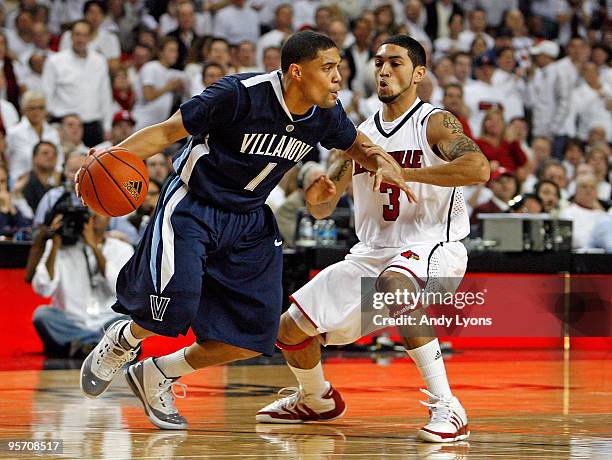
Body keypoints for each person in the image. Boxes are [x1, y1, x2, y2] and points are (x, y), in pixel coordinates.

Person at [76, 31, 410, 431]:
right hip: (195, 206)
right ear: (296, 72)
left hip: (249, 220)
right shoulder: (238, 94)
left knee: (253, 336)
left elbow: (358, 145)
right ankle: (123, 340)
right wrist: (114, 153)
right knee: (170, 309)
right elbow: (167, 132)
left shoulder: (326, 113)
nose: (339, 77)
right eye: (328, 68)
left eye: (339, 67)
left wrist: (383, 162)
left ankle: (157, 374)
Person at [256, 35, 489, 443]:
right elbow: (322, 209)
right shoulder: (358, 135)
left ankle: (448, 406)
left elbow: (478, 168)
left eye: (395, 63)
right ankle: (315, 398)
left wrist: (408, 173)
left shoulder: (435, 121)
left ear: (418, 73)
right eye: (378, 63)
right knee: (289, 330)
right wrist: (319, 197)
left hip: (434, 248)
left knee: (395, 285)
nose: (383, 70)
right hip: (372, 255)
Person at [30, 208, 134, 358]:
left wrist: (94, 246)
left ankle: (82, 346)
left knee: (130, 320)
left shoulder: (122, 249)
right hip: (72, 322)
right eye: (87, 216)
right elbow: (43, 289)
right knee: (42, 315)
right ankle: (99, 346)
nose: (92, 220)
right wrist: (55, 245)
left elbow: (122, 290)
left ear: (110, 218)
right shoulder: (60, 248)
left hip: (108, 322)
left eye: (98, 213)